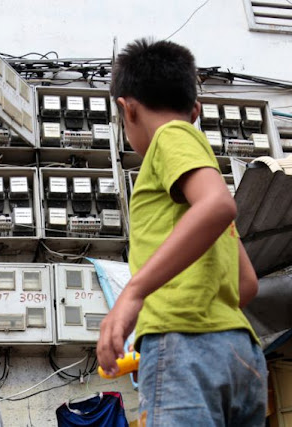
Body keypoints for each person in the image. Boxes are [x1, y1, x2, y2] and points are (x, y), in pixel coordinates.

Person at [96, 38, 267, 426]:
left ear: (128, 108)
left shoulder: (170, 138)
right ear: (196, 109)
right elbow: (246, 284)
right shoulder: (198, 171)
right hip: (241, 352)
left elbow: (219, 206)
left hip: (183, 344)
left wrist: (136, 295)